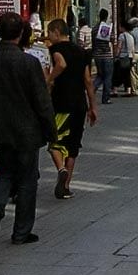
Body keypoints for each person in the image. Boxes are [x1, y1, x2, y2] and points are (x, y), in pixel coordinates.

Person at [0, 12, 56, 245]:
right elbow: (42, 101)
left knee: (6, 171)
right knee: (28, 179)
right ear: (21, 33)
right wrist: (51, 131)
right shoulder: (29, 63)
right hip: (27, 131)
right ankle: (21, 231)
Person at [45, 19, 97, 200]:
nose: (48, 37)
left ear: (56, 32)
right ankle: (65, 187)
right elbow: (88, 81)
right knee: (73, 146)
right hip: (80, 105)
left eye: (50, 33)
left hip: (62, 103)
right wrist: (93, 107)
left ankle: (61, 170)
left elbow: (61, 64)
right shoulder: (82, 52)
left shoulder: (56, 50)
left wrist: (49, 79)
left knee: (55, 142)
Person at [91, 9, 114, 104]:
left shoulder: (95, 28)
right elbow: (112, 39)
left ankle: (91, 90)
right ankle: (106, 98)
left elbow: (93, 42)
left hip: (97, 55)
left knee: (100, 75)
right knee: (108, 77)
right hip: (106, 55)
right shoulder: (107, 28)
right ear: (106, 16)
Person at [114, 18, 138, 97]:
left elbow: (119, 47)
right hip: (130, 57)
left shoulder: (122, 35)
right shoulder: (131, 36)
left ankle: (115, 90)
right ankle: (128, 90)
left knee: (117, 74)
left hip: (122, 57)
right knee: (127, 75)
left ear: (123, 27)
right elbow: (133, 49)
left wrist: (116, 55)